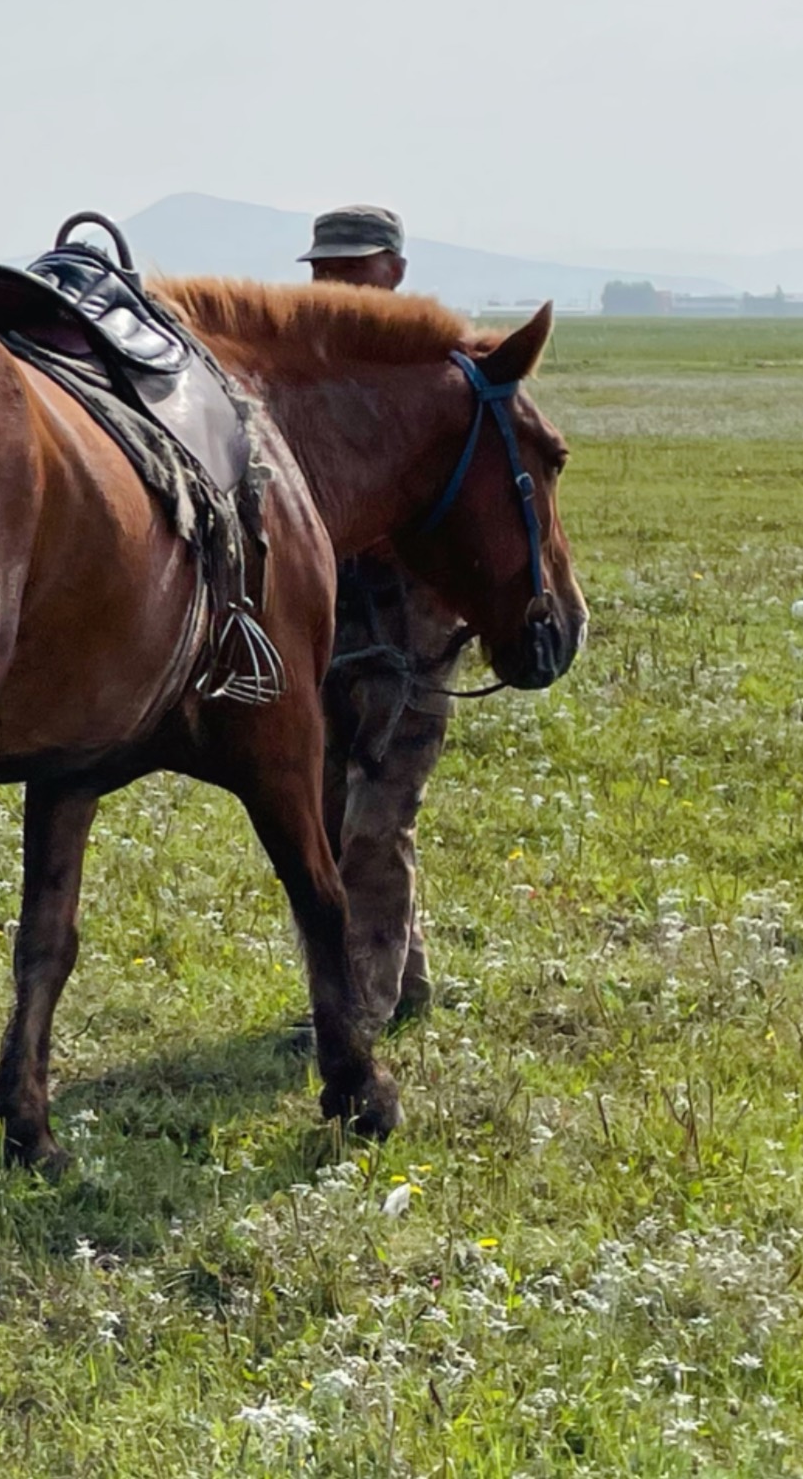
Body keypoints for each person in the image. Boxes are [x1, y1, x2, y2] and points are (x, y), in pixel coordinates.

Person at [303, 205, 458, 1025]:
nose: (335, 283)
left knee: (376, 813)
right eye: (324, 269)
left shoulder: (437, 378)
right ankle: (405, 979)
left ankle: (359, 1009)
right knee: (332, 812)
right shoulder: (312, 380)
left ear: (394, 270)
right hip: (333, 622)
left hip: (412, 628)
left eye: (353, 267)